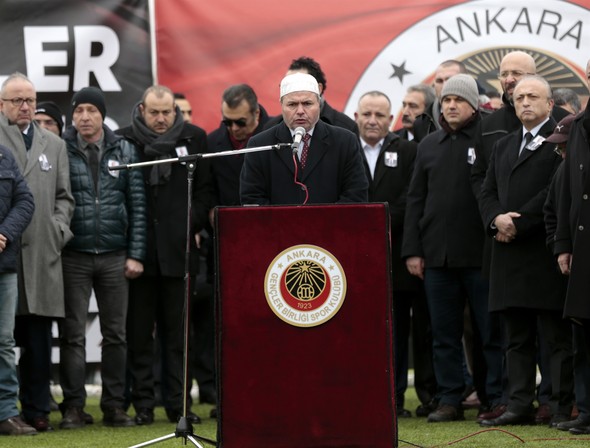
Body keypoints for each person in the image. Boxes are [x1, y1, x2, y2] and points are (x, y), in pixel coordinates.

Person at [472, 50, 572, 424]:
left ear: (549, 103)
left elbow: (554, 191)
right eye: (519, 98)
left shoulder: (562, 139)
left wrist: (520, 222)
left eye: (532, 97)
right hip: (507, 252)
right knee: (515, 336)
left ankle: (558, 405)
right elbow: (485, 189)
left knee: (554, 336)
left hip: (542, 249)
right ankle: (518, 404)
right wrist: (496, 219)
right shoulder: (501, 144)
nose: (525, 102)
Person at [402, 74, 503, 423]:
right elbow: (415, 200)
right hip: (437, 259)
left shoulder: (490, 139)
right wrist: (412, 251)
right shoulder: (429, 145)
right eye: (446, 100)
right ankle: (449, 398)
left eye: (458, 100)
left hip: (480, 256)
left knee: (488, 333)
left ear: (473, 104)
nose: (451, 105)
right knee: (443, 335)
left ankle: (494, 397)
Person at [117, 85, 212, 425]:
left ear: (176, 111)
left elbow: (205, 194)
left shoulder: (195, 138)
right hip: (139, 255)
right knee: (140, 335)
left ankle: (179, 405)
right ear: (142, 109)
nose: (160, 119)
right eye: (154, 112)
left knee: (179, 337)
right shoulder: (123, 139)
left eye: (166, 112)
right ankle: (143, 405)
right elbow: (119, 196)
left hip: (180, 252)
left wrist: (188, 225)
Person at [59, 86, 146, 429]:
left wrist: (136, 254)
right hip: (73, 255)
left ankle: (114, 406)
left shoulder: (125, 149)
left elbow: (138, 206)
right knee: (73, 335)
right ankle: (74, 407)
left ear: (102, 114)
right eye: (78, 111)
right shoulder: (61, 149)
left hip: (114, 256)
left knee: (115, 334)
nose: (84, 117)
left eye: (91, 111)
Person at [0, 72, 75, 432]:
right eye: (17, 100)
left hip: (43, 252)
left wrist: (57, 230)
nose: (26, 106)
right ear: (2, 105)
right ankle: (6, 409)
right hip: (5, 253)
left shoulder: (54, 144)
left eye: (30, 99)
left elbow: (65, 197)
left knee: (39, 338)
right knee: (4, 337)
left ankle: (37, 407)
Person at [354, 90, 435, 418]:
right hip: (357, 258)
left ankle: (398, 398)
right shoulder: (346, 150)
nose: (373, 121)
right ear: (357, 117)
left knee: (400, 330)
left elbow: (411, 199)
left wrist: (378, 219)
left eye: (379, 115)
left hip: (399, 256)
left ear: (391, 119)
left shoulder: (409, 151)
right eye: (367, 114)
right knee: (364, 331)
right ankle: (368, 395)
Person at [240, 72, 368, 205]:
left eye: (307, 103)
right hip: (278, 225)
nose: (300, 111)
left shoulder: (345, 142)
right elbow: (252, 198)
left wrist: (323, 223)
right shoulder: (260, 144)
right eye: (292, 105)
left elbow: (356, 195)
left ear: (319, 104)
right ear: (281, 105)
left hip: (330, 225)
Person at [555, 58, 590, 435]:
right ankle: (587, 411)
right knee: (583, 333)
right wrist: (563, 244)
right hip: (582, 244)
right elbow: (566, 189)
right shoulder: (578, 125)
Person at [0, 145, 35, 436]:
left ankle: (6, 413)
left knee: (3, 342)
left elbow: (24, 200)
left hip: (3, 265)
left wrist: (4, 233)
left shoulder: (3, 155)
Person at [264, 56, 358, 135]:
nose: (300, 111)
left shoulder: (346, 129)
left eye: (298, 83)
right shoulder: (270, 128)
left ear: (318, 88)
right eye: (287, 85)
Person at [412, 60, 467, 141]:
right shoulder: (422, 123)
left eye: (450, 80)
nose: (444, 86)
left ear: (466, 81)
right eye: (439, 81)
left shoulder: (485, 120)